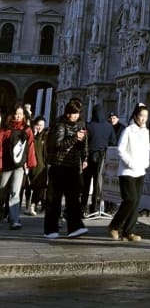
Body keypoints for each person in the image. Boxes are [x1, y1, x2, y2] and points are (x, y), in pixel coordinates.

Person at [43, 99, 89, 239]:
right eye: (72, 113)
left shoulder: (81, 124)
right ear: (67, 113)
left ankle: (75, 227)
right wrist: (75, 138)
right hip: (59, 165)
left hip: (73, 166)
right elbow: (57, 145)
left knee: (73, 198)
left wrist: (85, 157)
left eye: (77, 113)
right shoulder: (60, 124)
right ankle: (51, 230)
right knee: (54, 199)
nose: (74, 116)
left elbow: (84, 144)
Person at [108, 104, 150, 243]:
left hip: (140, 170)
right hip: (127, 170)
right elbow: (120, 149)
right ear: (135, 116)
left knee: (136, 202)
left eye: (145, 117)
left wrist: (146, 163)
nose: (143, 119)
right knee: (130, 199)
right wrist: (130, 163)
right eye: (141, 116)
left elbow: (147, 149)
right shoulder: (128, 130)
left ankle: (129, 231)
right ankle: (114, 225)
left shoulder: (146, 132)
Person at [0, 104, 37, 229]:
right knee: (1, 191)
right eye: (16, 114)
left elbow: (31, 146)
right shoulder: (5, 129)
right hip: (5, 165)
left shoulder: (27, 130)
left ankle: (14, 219)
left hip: (19, 166)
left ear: (23, 115)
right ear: (11, 114)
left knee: (15, 193)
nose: (17, 116)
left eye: (20, 114)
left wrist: (31, 163)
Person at [83, 106, 117, 217]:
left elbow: (84, 142)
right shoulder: (109, 127)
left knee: (86, 183)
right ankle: (95, 208)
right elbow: (113, 142)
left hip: (89, 157)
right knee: (98, 183)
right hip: (103, 157)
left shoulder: (89, 126)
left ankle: (83, 207)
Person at [23, 116, 48, 213]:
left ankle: (33, 205)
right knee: (29, 187)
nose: (40, 127)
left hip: (41, 165)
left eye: (42, 125)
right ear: (34, 125)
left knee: (41, 187)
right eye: (38, 125)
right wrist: (34, 135)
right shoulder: (30, 135)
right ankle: (29, 205)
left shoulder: (45, 136)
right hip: (30, 164)